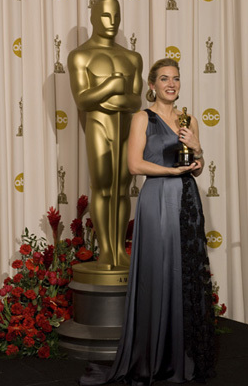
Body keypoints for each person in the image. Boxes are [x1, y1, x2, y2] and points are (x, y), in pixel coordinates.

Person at [80, 58, 215, 385]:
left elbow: (196, 167)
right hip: (156, 198)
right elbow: (134, 164)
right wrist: (170, 171)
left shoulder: (189, 119)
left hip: (186, 198)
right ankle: (152, 355)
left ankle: (182, 355)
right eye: (165, 79)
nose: (172, 84)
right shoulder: (142, 118)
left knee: (183, 272)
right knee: (159, 271)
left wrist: (198, 150)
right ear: (152, 84)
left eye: (177, 79)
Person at [68, 0, 142, 269]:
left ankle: (119, 250)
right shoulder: (80, 55)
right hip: (98, 126)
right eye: (105, 17)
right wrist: (112, 86)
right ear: (94, 18)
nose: (111, 23)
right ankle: (106, 252)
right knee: (102, 187)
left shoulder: (132, 57)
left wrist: (114, 101)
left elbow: (135, 101)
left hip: (125, 129)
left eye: (116, 17)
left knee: (122, 189)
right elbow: (83, 101)